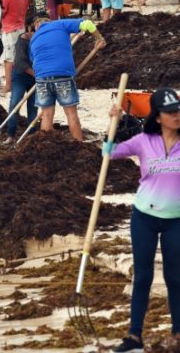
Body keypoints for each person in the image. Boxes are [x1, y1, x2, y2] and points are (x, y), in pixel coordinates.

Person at [107, 88, 180, 353]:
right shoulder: (143, 141)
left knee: (175, 278)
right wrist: (112, 124)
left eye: (178, 110)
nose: (176, 115)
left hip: (176, 221)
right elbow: (109, 152)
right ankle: (134, 336)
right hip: (144, 218)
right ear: (158, 116)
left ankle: (178, 334)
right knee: (142, 277)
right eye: (170, 112)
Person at [29, 16, 106, 140]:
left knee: (47, 115)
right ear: (50, 21)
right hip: (62, 75)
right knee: (71, 113)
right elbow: (88, 24)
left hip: (41, 77)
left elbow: (34, 60)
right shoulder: (61, 24)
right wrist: (99, 38)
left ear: (37, 25)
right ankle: (79, 146)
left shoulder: (34, 38)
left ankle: (45, 147)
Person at [5, 17, 38, 143]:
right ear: (29, 29)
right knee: (15, 103)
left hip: (36, 77)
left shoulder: (42, 40)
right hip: (20, 76)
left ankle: (31, 136)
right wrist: (35, 74)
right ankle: (11, 134)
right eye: (34, 30)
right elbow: (20, 62)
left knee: (33, 106)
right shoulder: (22, 41)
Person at [1, 0, 29, 94]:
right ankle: (18, 81)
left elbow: (3, 11)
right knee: (20, 55)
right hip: (21, 27)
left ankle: (8, 85)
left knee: (9, 58)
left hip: (9, 28)